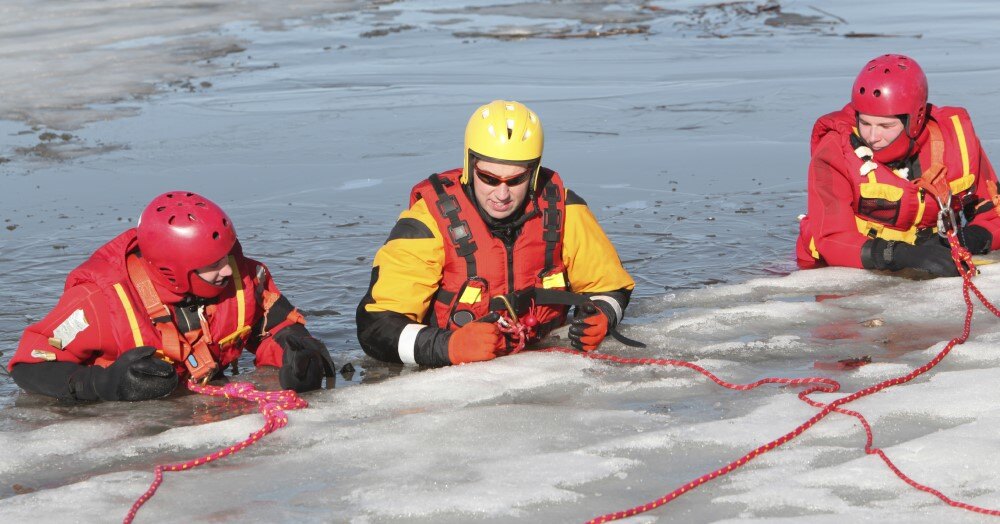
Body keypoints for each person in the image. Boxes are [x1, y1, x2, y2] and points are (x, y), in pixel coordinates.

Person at [356, 100, 635, 367]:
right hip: (452, 375)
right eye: (489, 178)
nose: (501, 195)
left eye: (516, 180)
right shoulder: (426, 224)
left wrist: (603, 314)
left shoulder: (566, 211)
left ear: (534, 173)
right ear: (469, 165)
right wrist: (447, 346)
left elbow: (610, 286)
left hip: (546, 364)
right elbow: (376, 326)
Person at [8, 191, 334, 401]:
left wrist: (299, 357)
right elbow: (28, 364)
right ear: (175, 268)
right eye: (213, 264)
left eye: (229, 254)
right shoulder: (99, 300)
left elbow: (276, 328)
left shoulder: (245, 276)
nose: (227, 269)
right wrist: (101, 384)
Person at [796, 54, 1000, 276]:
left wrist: (967, 239)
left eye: (885, 125)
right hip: (842, 270)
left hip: (936, 256)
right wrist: (902, 255)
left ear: (916, 120)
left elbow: (994, 212)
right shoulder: (836, 150)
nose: (873, 136)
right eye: (864, 122)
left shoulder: (958, 142)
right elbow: (831, 238)